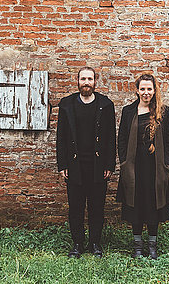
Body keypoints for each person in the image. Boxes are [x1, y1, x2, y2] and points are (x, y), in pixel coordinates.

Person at [56, 67, 116, 258]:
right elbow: (61, 138)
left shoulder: (105, 105)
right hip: (75, 165)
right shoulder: (67, 105)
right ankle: (77, 243)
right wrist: (62, 165)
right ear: (78, 81)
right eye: (83, 79)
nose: (86, 82)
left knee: (97, 207)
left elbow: (110, 138)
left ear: (95, 81)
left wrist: (109, 165)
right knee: (75, 207)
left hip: (98, 166)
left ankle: (95, 243)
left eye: (90, 78)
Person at [116, 73, 169, 259]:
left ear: (154, 90)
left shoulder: (163, 111)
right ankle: (137, 246)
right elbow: (122, 140)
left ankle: (152, 246)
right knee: (135, 206)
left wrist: (166, 163)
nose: (146, 92)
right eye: (142, 89)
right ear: (137, 90)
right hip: (134, 168)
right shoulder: (128, 112)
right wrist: (124, 162)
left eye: (149, 89)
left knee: (153, 206)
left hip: (156, 169)